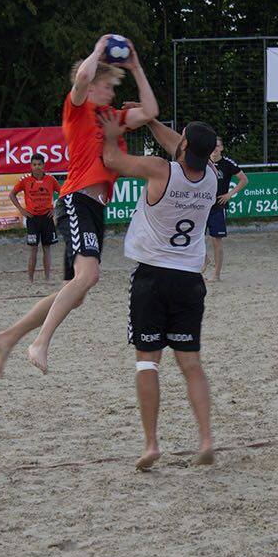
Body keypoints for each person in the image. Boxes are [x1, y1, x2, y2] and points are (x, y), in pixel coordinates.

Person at [0, 34, 157, 376]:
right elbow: (81, 78)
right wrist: (98, 49)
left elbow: (152, 111)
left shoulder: (112, 118)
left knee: (76, 292)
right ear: (93, 86)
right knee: (89, 275)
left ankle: (9, 336)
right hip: (76, 200)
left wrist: (137, 67)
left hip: (94, 208)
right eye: (107, 86)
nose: (112, 93)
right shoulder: (78, 110)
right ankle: (40, 343)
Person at [97, 110, 218, 470]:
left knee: (147, 362)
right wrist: (151, 121)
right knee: (191, 364)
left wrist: (111, 131)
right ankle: (206, 440)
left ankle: (151, 444)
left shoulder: (159, 169)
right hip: (189, 280)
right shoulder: (212, 177)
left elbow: (112, 159)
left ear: (184, 144)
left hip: (152, 276)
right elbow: (181, 147)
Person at [11, 153, 61, 282]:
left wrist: (55, 209)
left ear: (44, 166)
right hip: (32, 218)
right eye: (34, 164)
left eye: (39, 164)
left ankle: (47, 278)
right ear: (31, 166)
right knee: (33, 249)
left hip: (47, 218)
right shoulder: (25, 180)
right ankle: (30, 279)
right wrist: (21, 210)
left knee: (47, 248)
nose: (37, 167)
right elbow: (12, 194)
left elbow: (63, 193)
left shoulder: (51, 179)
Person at [204, 137, 248, 281]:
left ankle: (216, 274)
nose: (215, 149)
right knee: (196, 238)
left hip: (218, 206)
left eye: (217, 146)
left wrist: (230, 194)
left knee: (216, 240)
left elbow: (244, 179)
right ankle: (204, 259)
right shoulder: (203, 162)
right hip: (202, 206)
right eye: (212, 146)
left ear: (222, 148)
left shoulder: (227, 163)